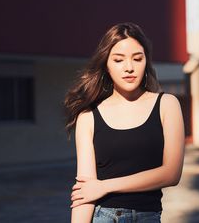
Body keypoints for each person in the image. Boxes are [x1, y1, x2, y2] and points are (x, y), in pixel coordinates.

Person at [64, 22, 185, 223]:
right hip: (103, 217)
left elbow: (171, 173)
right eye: (119, 60)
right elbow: (85, 191)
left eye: (137, 59)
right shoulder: (88, 116)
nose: (129, 68)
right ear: (106, 65)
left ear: (146, 61)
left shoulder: (167, 105)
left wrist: (105, 186)